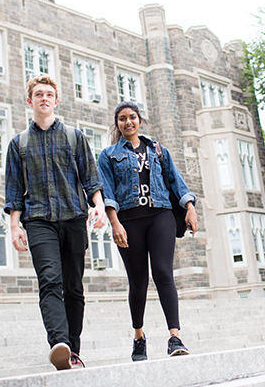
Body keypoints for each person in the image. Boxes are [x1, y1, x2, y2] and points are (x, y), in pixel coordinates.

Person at [4, 75, 106, 370]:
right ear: (30, 101)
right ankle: (59, 343)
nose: (44, 98)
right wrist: (14, 226)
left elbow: (91, 178)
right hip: (38, 222)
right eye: (38, 94)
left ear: (56, 101)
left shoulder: (75, 137)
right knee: (50, 280)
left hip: (73, 217)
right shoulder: (18, 144)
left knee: (73, 287)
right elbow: (13, 191)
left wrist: (98, 206)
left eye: (49, 94)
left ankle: (73, 349)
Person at [97, 101, 198, 361]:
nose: (127, 122)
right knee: (138, 280)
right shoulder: (107, 155)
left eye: (132, 117)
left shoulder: (157, 150)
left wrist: (190, 207)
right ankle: (139, 337)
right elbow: (107, 191)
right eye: (122, 118)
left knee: (164, 272)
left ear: (140, 121)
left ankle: (174, 336)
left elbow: (176, 181)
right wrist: (114, 222)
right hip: (128, 220)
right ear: (117, 124)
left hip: (160, 214)